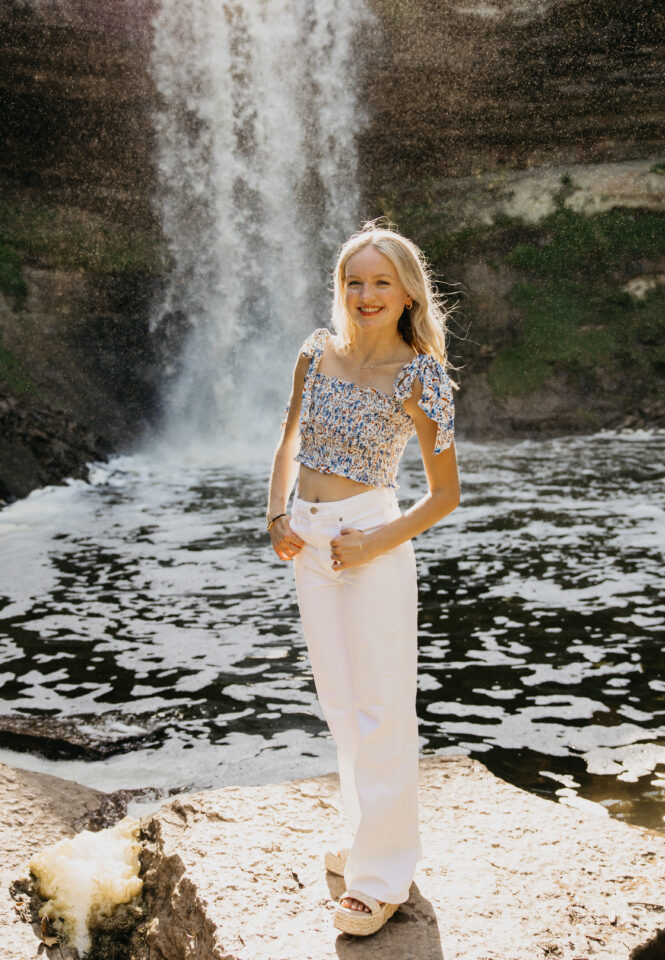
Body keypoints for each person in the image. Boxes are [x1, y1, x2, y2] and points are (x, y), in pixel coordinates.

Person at [266, 220, 460, 936]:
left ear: (408, 291)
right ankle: (364, 841)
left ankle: (381, 877)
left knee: (383, 707)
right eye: (354, 280)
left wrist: (376, 541)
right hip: (308, 536)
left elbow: (445, 494)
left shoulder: (421, 375)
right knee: (341, 705)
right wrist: (275, 515)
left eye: (381, 281)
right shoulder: (316, 352)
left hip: (370, 534)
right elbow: (288, 436)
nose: (365, 293)